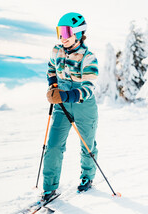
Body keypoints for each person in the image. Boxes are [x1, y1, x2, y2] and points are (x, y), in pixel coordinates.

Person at [42, 12, 99, 201]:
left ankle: (87, 177)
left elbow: (89, 88)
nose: (62, 37)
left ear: (79, 32)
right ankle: (49, 188)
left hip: (84, 105)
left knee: (87, 145)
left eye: (66, 32)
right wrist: (54, 86)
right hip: (62, 105)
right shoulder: (56, 51)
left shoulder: (89, 58)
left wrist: (66, 95)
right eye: (60, 32)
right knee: (53, 146)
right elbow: (51, 68)